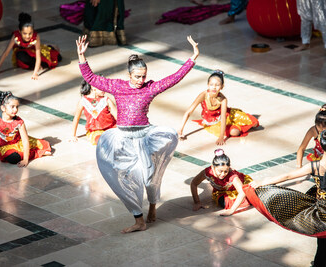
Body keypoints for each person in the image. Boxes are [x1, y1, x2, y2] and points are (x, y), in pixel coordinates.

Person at [76, 34, 199, 233]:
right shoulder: (118, 86)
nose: (141, 80)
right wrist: (82, 57)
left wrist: (192, 58)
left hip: (145, 137)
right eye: (137, 76)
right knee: (124, 179)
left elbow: (173, 79)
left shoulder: (150, 88)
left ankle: (152, 205)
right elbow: (91, 78)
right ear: (129, 75)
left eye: (144, 76)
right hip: (122, 138)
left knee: (150, 178)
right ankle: (138, 219)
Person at [248, 130, 326, 267]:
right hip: (322, 214)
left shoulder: (315, 166)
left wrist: (263, 183)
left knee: (323, 243)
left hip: (321, 215)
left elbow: (288, 176)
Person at [178, 70, 258, 145]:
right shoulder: (203, 95)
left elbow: (223, 117)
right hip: (214, 123)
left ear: (222, 87)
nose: (214, 87)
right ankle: (238, 127)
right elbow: (188, 112)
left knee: (254, 122)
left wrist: (221, 137)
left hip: (227, 116)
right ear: (208, 85)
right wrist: (180, 130)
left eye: (217, 85)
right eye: (211, 85)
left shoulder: (223, 99)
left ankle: (239, 124)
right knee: (235, 132)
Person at [0, 91, 51, 167]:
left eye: (17, 107)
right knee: (13, 158)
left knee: (44, 144)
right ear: (3, 108)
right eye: (12, 107)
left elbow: (25, 141)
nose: (15, 110)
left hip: (19, 143)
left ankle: (36, 152)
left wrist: (25, 159)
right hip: (4, 147)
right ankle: (37, 152)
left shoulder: (19, 122)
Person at [0, 12, 61, 80]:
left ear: (33, 31)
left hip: (34, 52)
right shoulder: (15, 37)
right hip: (24, 53)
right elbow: (6, 53)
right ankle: (37, 63)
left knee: (56, 59)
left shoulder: (36, 36)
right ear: (20, 32)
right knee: (21, 56)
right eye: (25, 33)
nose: (28, 36)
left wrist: (35, 73)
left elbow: (38, 56)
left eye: (30, 33)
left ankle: (50, 47)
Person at [191, 149, 252, 216]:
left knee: (249, 196)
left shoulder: (232, 175)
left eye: (226, 171)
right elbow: (194, 183)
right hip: (223, 191)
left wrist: (231, 210)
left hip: (242, 186)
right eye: (220, 171)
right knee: (223, 202)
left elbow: (242, 192)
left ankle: (251, 197)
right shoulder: (207, 172)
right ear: (212, 167)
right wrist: (197, 202)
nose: (223, 174)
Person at [69, 79, 117, 145]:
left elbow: (116, 115)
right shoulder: (83, 101)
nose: (105, 90)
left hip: (111, 127)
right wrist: (73, 135)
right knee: (100, 140)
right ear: (93, 88)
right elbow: (76, 118)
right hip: (95, 131)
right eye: (102, 88)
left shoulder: (106, 100)